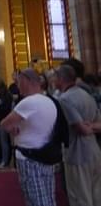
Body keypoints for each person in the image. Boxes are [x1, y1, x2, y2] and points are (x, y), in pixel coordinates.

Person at [0, 68, 59, 206]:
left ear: (27, 81)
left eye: (19, 82)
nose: (17, 85)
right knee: (48, 196)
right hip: (46, 154)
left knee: (37, 199)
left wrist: (12, 128)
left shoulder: (29, 102)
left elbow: (4, 124)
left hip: (30, 158)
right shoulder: (49, 100)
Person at [56, 65, 101, 206]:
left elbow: (81, 129)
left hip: (77, 154)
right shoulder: (86, 95)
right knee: (96, 195)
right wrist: (92, 126)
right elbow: (98, 124)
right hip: (94, 151)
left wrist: (87, 127)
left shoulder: (65, 99)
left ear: (60, 79)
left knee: (80, 198)